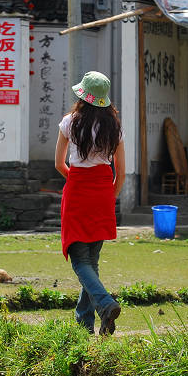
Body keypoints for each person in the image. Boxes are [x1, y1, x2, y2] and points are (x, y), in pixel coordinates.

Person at [55, 71, 125, 336]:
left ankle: (105, 304)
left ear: (82, 96)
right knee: (91, 261)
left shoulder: (69, 123)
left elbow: (59, 164)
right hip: (102, 193)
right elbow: (121, 171)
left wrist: (77, 180)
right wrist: (109, 196)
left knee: (79, 260)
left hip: (78, 191)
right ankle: (84, 324)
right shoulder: (115, 127)